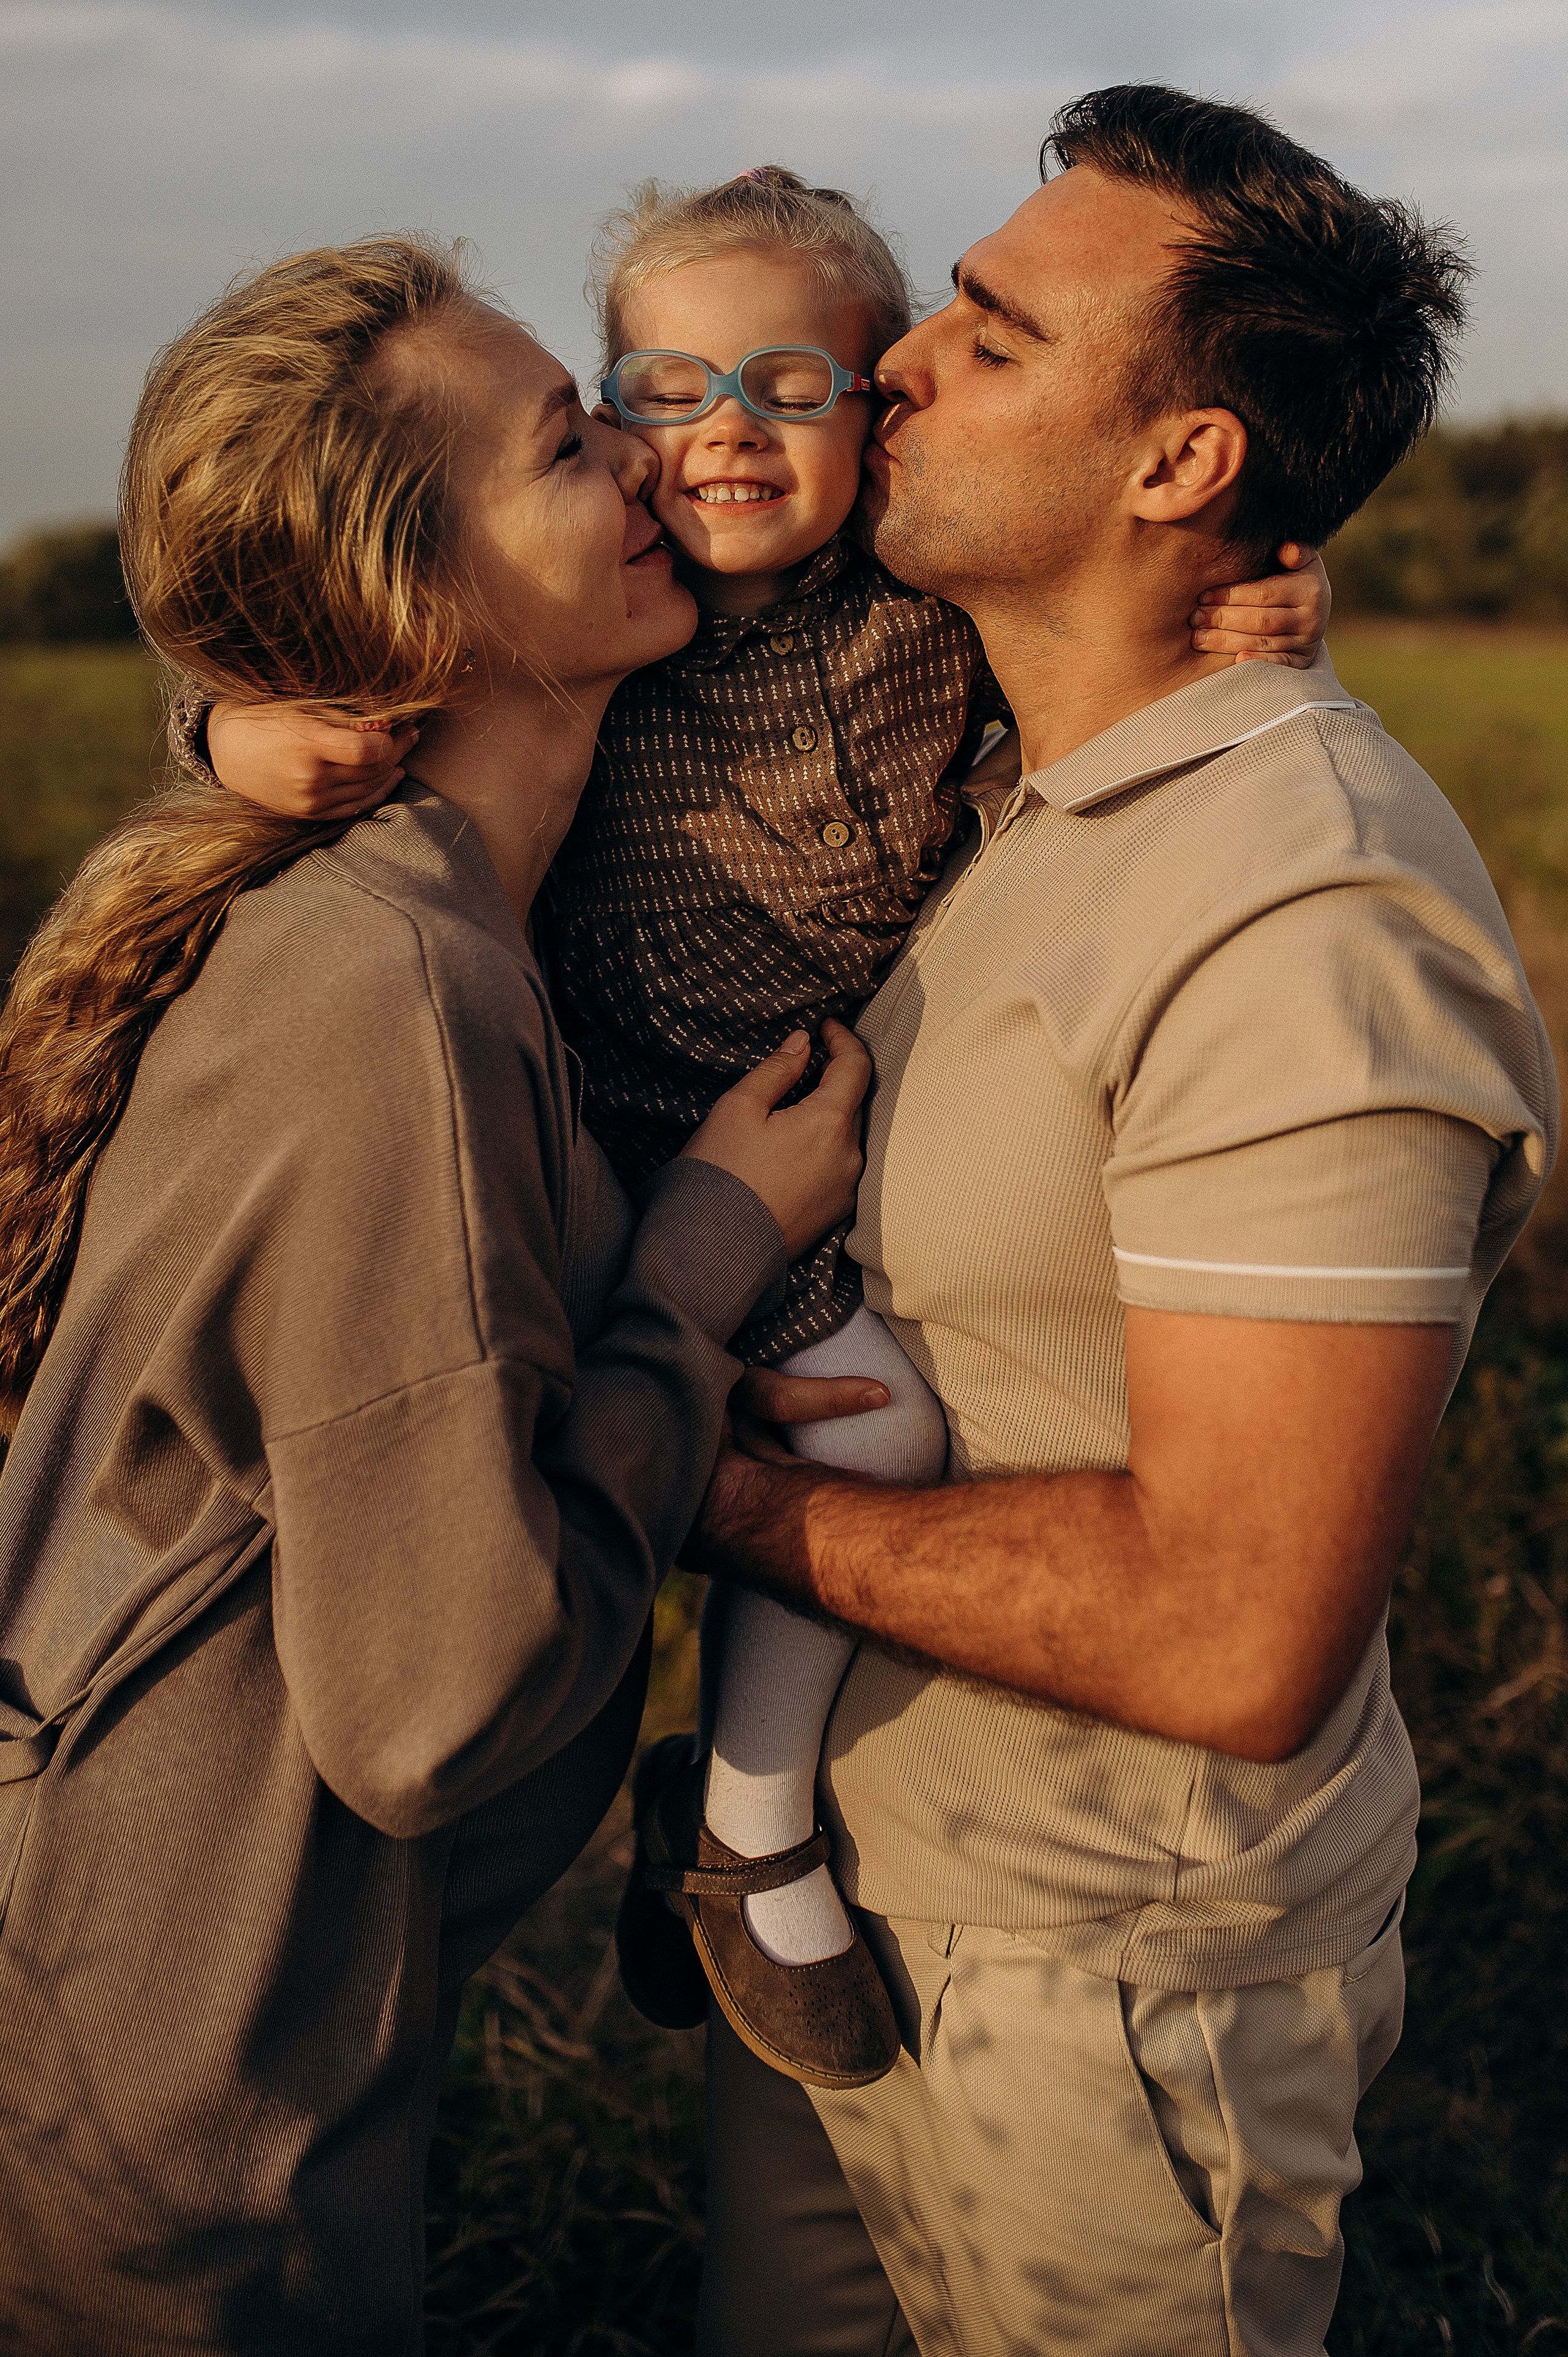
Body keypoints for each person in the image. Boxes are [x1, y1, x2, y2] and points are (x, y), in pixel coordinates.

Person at [186, 166, 1330, 2089]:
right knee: (871, 1422)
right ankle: (751, 1822)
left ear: (878, 409)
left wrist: (1269, 583)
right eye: (659, 393)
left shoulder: (920, 602)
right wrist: (228, 731)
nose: (723, 434)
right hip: (629, 1140)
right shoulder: (600, 626)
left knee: (896, 1396)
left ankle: (721, 1802)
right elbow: (366, 629)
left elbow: (1101, 592)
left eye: (793, 385)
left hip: (821, 1120)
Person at [679, 86, 1559, 2357]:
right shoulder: (1017, 792)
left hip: (1101, 2013)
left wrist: (701, 1488)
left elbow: (1237, 1632)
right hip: (854, 1905)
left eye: (987, 334)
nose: (901, 366)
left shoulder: (1309, 906)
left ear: (1181, 466)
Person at [0, 233, 870, 2355]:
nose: (667, 466)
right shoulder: (389, 982)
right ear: (416, 605)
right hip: (170, 2167)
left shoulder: (432, 913)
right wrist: (700, 1265)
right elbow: (438, 1706)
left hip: (173, 2066)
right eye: (580, 442)